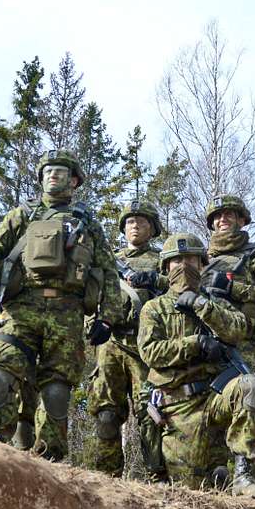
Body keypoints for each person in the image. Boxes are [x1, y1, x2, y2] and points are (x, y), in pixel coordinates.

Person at [0, 149, 124, 461]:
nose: (52, 176)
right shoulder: (22, 215)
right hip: (20, 310)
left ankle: (49, 462)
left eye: (60, 171)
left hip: (67, 313)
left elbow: (109, 271)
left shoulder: (88, 224)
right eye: (47, 171)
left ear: (73, 180)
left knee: (56, 392)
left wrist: (108, 317)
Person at [138, 233, 255, 498]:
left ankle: (242, 476)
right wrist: (195, 343)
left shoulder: (215, 303)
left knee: (250, 386)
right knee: (191, 489)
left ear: (202, 265)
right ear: (166, 267)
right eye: (176, 261)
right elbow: (151, 352)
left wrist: (203, 306)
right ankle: (214, 470)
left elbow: (238, 329)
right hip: (179, 408)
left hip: (215, 400)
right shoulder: (154, 308)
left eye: (190, 259)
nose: (183, 266)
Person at [199, 194, 255, 483]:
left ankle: (252, 478)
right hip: (206, 346)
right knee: (205, 414)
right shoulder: (201, 258)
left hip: (246, 349)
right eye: (218, 216)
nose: (223, 220)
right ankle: (216, 479)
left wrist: (236, 288)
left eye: (230, 215)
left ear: (242, 220)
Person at [87, 199, 167, 479]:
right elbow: (91, 295)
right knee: (106, 414)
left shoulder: (161, 260)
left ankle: (158, 478)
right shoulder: (109, 261)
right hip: (110, 345)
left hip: (145, 347)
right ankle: (106, 479)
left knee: (151, 414)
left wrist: (156, 280)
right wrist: (92, 324)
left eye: (142, 221)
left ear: (153, 227)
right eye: (130, 221)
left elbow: (182, 288)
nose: (135, 226)